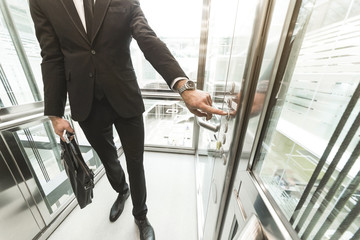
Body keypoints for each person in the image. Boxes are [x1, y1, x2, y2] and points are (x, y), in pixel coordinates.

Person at [29, 0, 225, 239]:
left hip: (125, 96)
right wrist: (55, 114)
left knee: (135, 161)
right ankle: (122, 190)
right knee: (108, 159)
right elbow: (51, 57)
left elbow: (147, 37)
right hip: (85, 102)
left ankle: (140, 215)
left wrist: (183, 85)